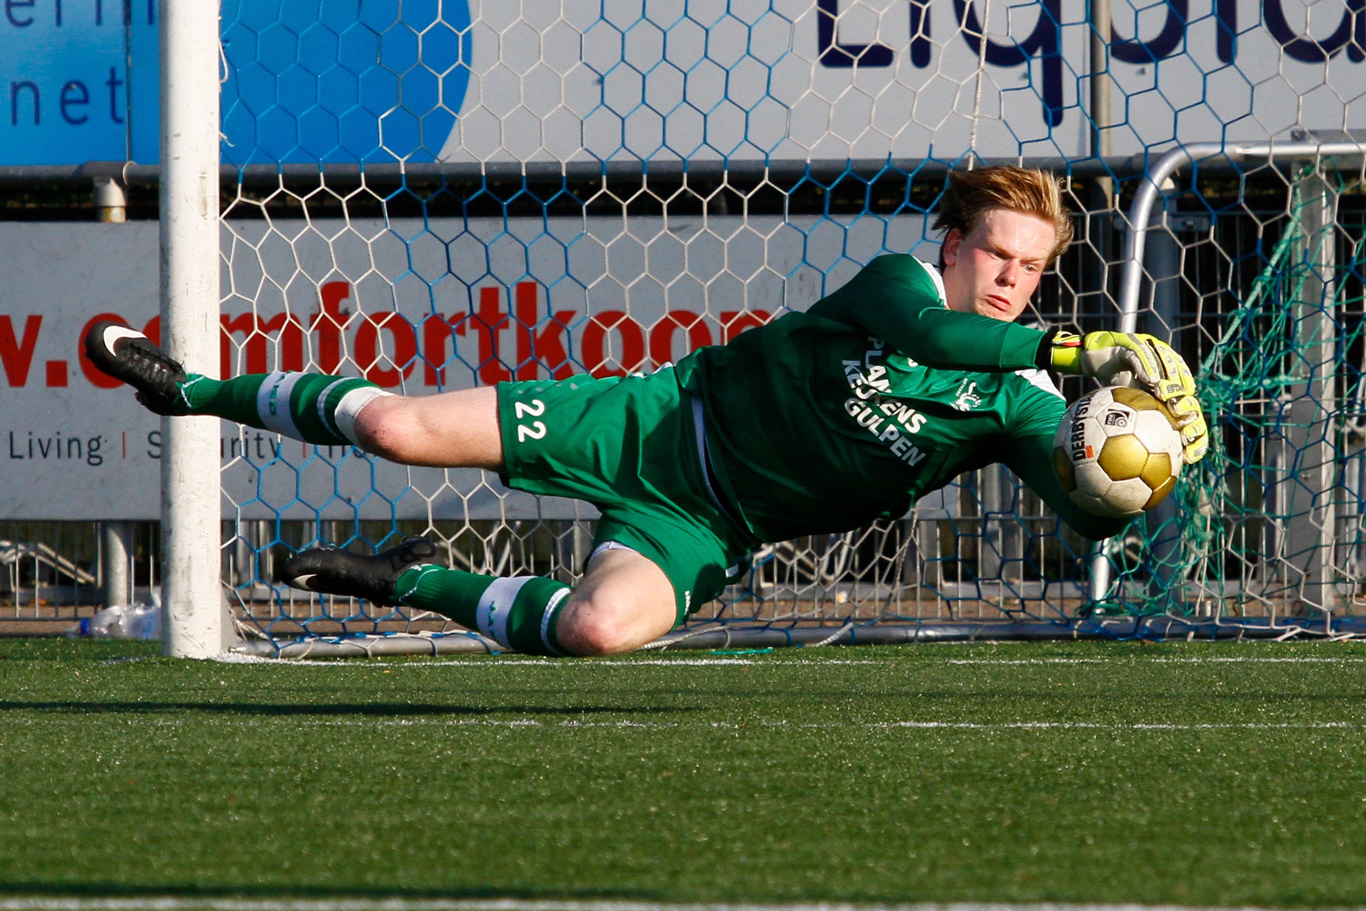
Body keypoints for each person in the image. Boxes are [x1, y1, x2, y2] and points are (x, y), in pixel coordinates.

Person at [86, 166, 1208, 657]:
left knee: (594, 629)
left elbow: (1087, 518)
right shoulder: (898, 287)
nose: (1013, 276)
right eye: (996, 252)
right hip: (656, 421)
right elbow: (939, 339)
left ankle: (410, 575)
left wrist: (1146, 467)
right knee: (396, 428)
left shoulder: (1022, 405)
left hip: (708, 527)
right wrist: (1084, 345)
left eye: (1033, 264)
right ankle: (196, 389)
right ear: (951, 244)